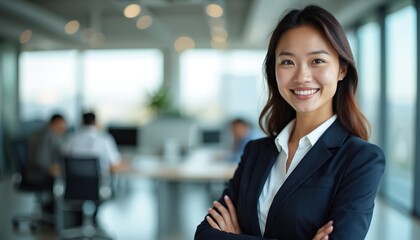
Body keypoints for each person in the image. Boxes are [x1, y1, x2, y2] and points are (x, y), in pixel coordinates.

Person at [195, 5, 385, 240]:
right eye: (287, 62)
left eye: (317, 61)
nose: (302, 76)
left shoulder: (361, 159)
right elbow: (205, 234)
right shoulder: (256, 152)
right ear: (273, 71)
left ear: (342, 69)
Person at [26, 113, 67, 213]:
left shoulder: (50, 134)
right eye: (61, 124)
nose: (64, 127)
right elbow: (41, 160)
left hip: (38, 170)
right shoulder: (48, 135)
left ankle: (52, 209)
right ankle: (57, 213)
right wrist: (54, 169)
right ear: (55, 123)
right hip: (39, 173)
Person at [61, 111, 123, 176]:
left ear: (81, 122)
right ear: (95, 122)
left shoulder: (71, 138)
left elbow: (62, 158)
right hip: (98, 184)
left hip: (73, 182)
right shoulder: (104, 139)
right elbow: (114, 161)